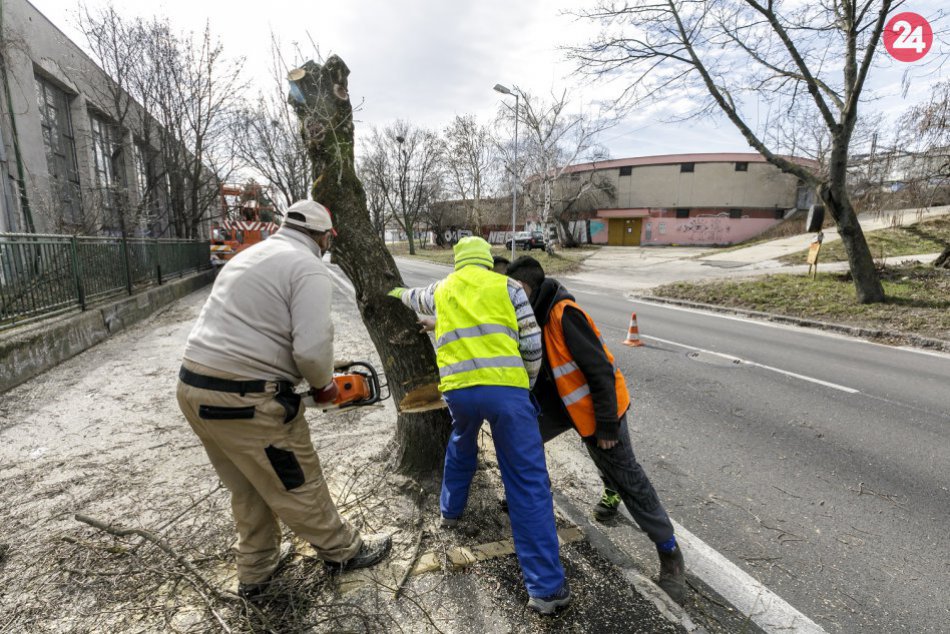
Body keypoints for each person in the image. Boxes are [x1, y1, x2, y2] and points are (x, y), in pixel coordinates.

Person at [177, 199, 391, 600]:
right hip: (244, 399)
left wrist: (313, 372)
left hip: (194, 387)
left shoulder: (253, 254)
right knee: (297, 477)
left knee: (250, 484)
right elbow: (310, 349)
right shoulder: (309, 266)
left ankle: (257, 569)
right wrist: (324, 384)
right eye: (328, 238)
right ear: (324, 235)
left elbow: (261, 329)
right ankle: (342, 550)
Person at [388, 237, 570, 615]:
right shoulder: (509, 287)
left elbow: (412, 297)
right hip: (507, 393)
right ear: (488, 262)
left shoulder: (441, 289)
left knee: (462, 443)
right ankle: (546, 590)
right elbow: (532, 345)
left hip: (460, 394)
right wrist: (526, 385)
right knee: (526, 482)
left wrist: (393, 290)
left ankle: (450, 511)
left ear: (456, 263)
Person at [505, 255, 687, 603]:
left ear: (534, 289)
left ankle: (670, 553)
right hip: (563, 407)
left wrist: (606, 424)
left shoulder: (564, 314)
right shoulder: (527, 317)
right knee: (522, 441)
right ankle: (533, 501)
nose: (513, 300)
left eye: (519, 292)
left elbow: (601, 369)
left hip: (601, 408)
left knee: (627, 477)